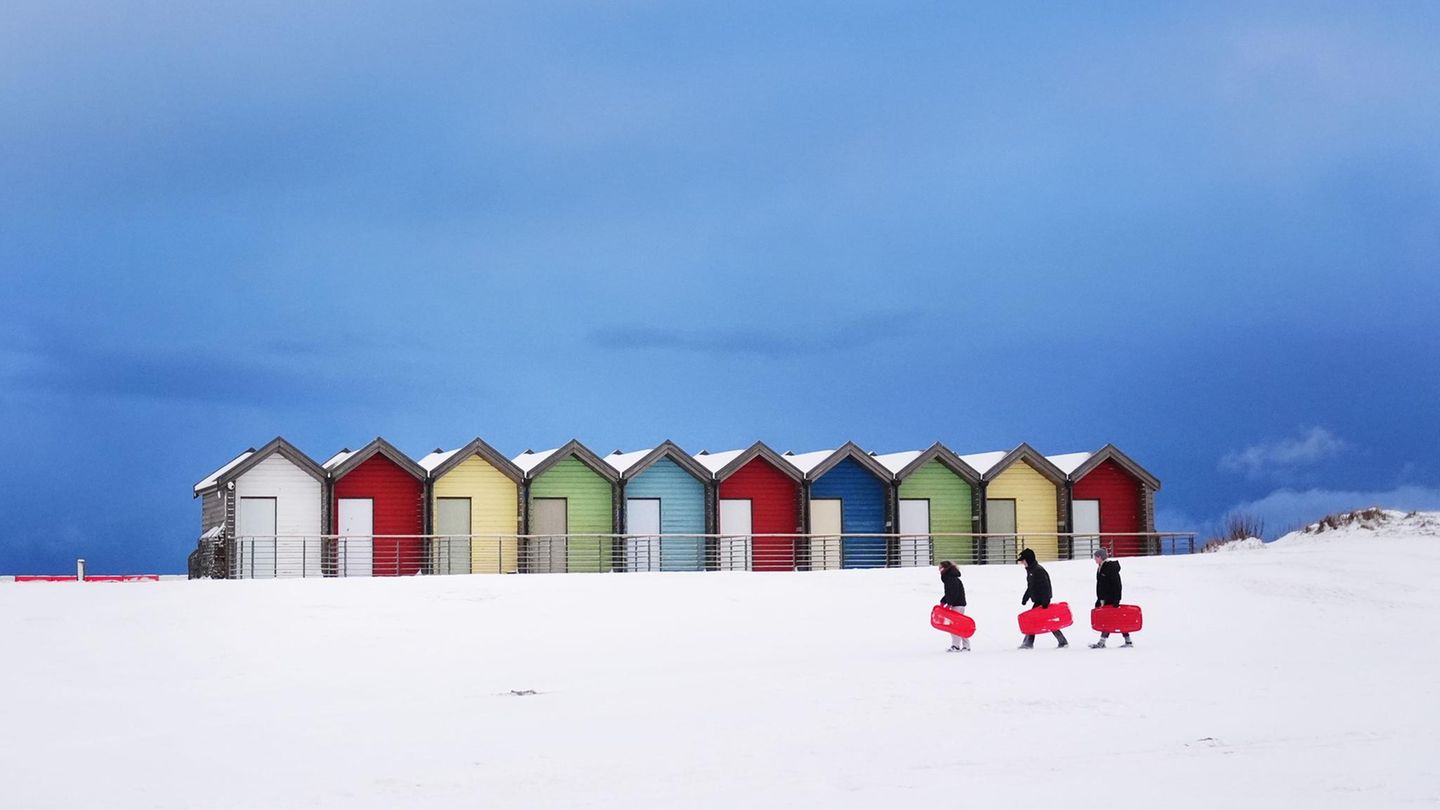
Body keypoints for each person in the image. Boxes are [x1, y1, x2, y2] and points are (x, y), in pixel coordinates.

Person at [1018, 547, 1068, 649]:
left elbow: (1046, 586)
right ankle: (1062, 641)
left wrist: (1046, 601)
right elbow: (1031, 586)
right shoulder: (1031, 570)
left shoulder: (1038, 570)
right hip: (1037, 599)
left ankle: (1028, 643)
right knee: (1046, 620)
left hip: (1042, 600)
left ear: (1028, 560)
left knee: (1033, 620)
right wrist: (1026, 597)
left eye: (1023, 561)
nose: (1022, 563)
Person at [1090, 547, 1133, 648]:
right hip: (1103, 598)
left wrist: (1116, 600)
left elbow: (1117, 585)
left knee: (1110, 619)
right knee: (1112, 619)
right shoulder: (1100, 567)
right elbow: (1101, 585)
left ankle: (1102, 642)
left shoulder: (1110, 567)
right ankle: (1127, 640)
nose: (1094, 560)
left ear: (1100, 557)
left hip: (1110, 598)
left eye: (1095, 557)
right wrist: (1099, 599)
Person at [938, 560, 969, 652]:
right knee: (960, 626)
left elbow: (953, 593)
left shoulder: (951, 579)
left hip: (957, 605)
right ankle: (966, 645)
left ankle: (956, 646)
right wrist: (943, 601)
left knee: (954, 626)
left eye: (940, 567)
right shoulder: (950, 578)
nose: (939, 570)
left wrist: (949, 603)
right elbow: (949, 593)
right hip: (958, 604)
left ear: (945, 568)